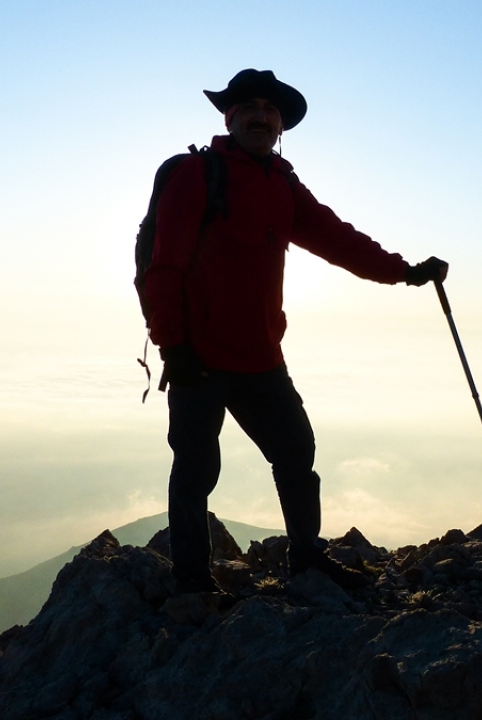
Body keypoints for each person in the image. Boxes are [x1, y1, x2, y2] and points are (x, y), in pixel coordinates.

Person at [142, 69, 448, 593]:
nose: (262, 116)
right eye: (250, 107)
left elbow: (338, 239)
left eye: (271, 109)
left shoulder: (282, 184)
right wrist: (172, 344)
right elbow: (161, 267)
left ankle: (307, 556)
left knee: (295, 452)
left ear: (280, 125)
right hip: (198, 356)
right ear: (230, 117)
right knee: (195, 470)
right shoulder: (198, 174)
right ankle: (191, 580)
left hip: (261, 355)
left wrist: (404, 271)